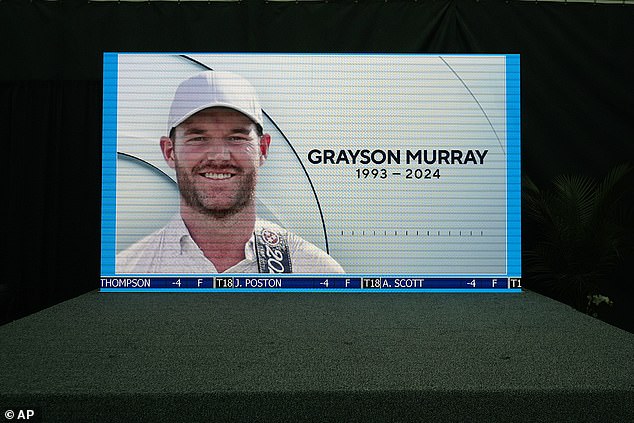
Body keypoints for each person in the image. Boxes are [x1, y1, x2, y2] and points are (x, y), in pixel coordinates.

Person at [117, 70, 344, 274]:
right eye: (198, 138)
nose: (219, 156)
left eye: (237, 138)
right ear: (169, 152)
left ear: (263, 149)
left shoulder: (316, 271)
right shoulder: (127, 271)